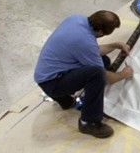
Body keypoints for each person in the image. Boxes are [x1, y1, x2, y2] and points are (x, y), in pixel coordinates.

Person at [34, 10, 133, 138]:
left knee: (103, 61)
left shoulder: (75, 20)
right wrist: (124, 74)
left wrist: (115, 45)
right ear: (101, 32)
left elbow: (92, 50)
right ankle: (89, 122)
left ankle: (65, 100)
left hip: (45, 74)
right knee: (96, 74)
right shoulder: (84, 41)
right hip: (52, 83)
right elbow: (105, 77)